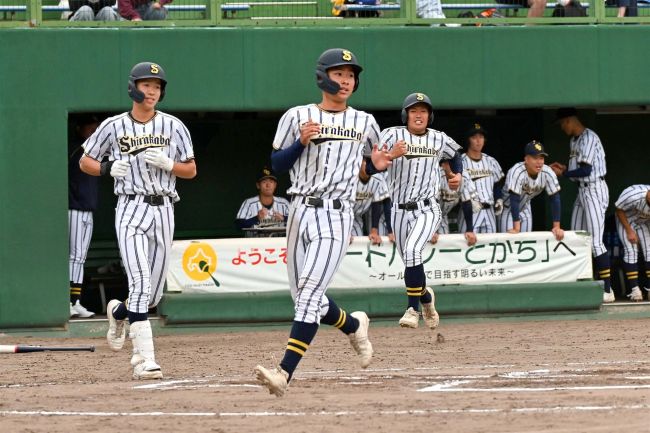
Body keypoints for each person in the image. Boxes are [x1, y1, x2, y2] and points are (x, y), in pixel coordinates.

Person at [254, 48, 391, 397]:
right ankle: (353, 324)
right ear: (322, 77)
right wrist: (301, 142)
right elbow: (278, 164)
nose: (345, 80)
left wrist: (376, 164)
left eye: (350, 75)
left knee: (309, 295)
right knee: (305, 296)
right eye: (338, 73)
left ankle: (284, 373)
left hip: (336, 212)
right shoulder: (297, 116)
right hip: (300, 210)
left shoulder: (365, 122)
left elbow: (366, 169)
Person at [80, 62, 196, 379]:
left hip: (164, 208)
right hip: (131, 207)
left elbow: (191, 170)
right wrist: (106, 169)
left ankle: (119, 311)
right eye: (146, 85)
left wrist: (170, 164)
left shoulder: (173, 126)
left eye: (157, 86)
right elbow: (85, 160)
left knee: (153, 295)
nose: (152, 91)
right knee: (141, 283)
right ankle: (144, 358)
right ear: (133, 87)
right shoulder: (114, 126)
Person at [382, 92, 467, 329]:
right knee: (411, 261)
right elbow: (374, 159)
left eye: (423, 111)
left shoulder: (439, 139)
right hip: (398, 210)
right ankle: (427, 299)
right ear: (405, 115)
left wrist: (456, 174)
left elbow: (456, 155)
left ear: (429, 116)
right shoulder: (391, 134)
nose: (418, 115)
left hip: (427, 208)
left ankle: (412, 309)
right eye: (413, 111)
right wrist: (390, 155)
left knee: (411, 250)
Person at [550, 107, 612, 303]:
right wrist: (566, 169)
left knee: (595, 242)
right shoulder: (573, 140)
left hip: (595, 188)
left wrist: (564, 174)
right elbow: (578, 171)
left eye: (562, 124)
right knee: (577, 237)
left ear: (569, 120)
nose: (561, 128)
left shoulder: (589, 137)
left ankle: (608, 290)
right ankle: (583, 284)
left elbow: (586, 171)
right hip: (582, 190)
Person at [68, 114, 101, 319]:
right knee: (74, 256)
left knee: (80, 257)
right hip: (74, 208)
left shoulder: (94, 152)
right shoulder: (75, 150)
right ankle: (68, 301)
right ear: (79, 128)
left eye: (95, 128)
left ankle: (75, 301)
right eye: (90, 128)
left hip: (87, 210)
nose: (93, 132)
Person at [499, 141, 564, 241]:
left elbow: (555, 198)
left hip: (525, 207)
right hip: (508, 208)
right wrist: (516, 228)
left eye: (541, 158)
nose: (539, 162)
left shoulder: (547, 172)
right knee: (509, 244)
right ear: (526, 159)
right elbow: (514, 200)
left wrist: (557, 226)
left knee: (527, 243)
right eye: (535, 158)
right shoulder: (517, 171)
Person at [460, 123, 504, 234]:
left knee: (490, 247)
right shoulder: (460, 162)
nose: (478, 141)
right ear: (468, 140)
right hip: (470, 211)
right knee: (468, 247)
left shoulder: (491, 161)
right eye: (474, 137)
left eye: (481, 137)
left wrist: (499, 199)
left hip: (489, 211)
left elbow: (497, 184)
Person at [614, 185, 650, 301]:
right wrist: (629, 231)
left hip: (643, 221)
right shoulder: (633, 195)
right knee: (631, 251)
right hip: (626, 219)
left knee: (649, 251)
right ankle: (635, 290)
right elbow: (619, 210)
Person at [431, 163, 478, 246]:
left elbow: (466, 202)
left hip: (442, 215)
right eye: (451, 164)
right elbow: (432, 204)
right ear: (443, 165)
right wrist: (432, 229)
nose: (455, 168)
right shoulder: (435, 175)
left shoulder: (463, 176)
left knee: (443, 245)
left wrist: (470, 230)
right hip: (427, 214)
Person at [235, 167, 290, 235]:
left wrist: (284, 219)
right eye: (264, 182)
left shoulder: (284, 203)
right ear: (258, 185)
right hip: (255, 244)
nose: (268, 185)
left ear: (275, 185)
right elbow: (238, 225)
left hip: (279, 244)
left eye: (271, 182)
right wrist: (256, 218)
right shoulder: (249, 203)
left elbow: (298, 222)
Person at [354, 159, 394, 245]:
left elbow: (378, 203)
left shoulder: (378, 178)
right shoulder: (351, 177)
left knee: (361, 244)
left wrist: (374, 230)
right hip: (345, 214)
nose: (369, 166)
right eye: (366, 162)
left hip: (358, 217)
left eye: (371, 162)